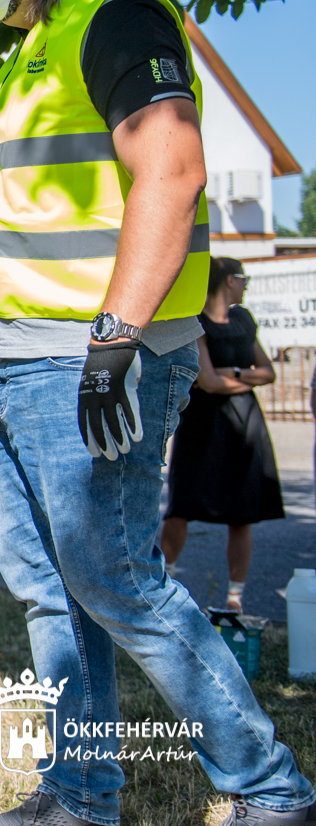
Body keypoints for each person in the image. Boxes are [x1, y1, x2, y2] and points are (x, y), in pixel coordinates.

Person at [0, 0, 314, 826]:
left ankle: (271, 796)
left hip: (87, 357)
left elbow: (170, 172)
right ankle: (83, 796)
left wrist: (113, 341)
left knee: (116, 578)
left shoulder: (114, 13)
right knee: (51, 589)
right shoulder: (22, 58)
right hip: (16, 364)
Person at [161, 256, 283, 612]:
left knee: (242, 512)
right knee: (181, 506)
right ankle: (165, 579)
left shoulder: (244, 320)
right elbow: (207, 382)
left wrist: (234, 374)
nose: (246, 285)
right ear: (228, 280)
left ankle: (235, 598)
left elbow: (268, 373)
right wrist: (242, 377)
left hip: (245, 424)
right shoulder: (196, 322)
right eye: (243, 278)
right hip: (202, 426)